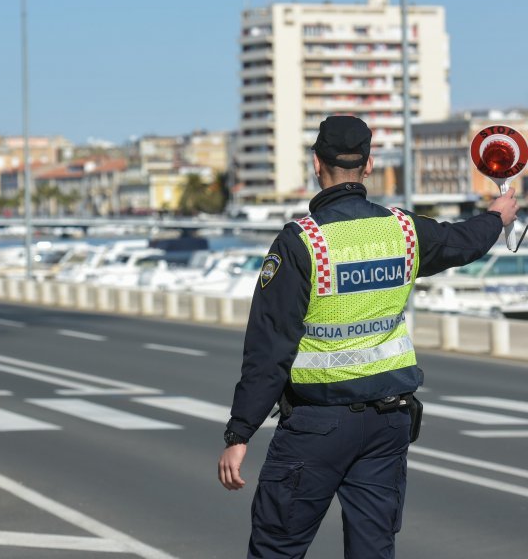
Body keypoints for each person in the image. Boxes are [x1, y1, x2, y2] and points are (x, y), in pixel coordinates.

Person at [217, 115, 519, 559]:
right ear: (370, 164)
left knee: (276, 549)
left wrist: (239, 435)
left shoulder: (302, 243)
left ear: (316, 165)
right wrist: (497, 216)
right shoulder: (403, 231)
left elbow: (269, 348)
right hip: (387, 425)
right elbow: (462, 242)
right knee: (373, 550)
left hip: (316, 426)